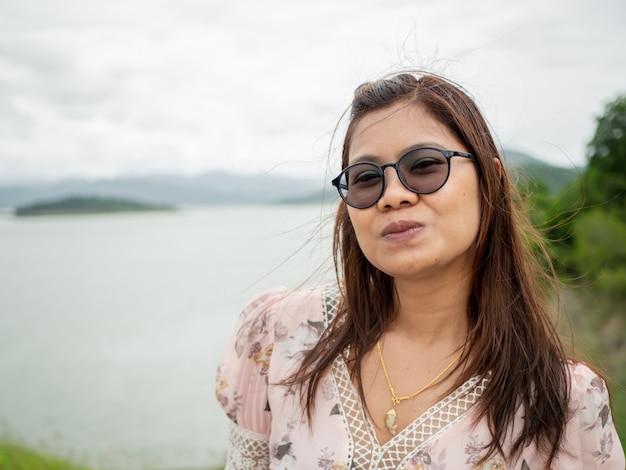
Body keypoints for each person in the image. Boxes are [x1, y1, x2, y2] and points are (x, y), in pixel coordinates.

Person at [215, 72, 625, 469]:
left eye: (425, 165)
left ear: (491, 182)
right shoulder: (281, 335)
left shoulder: (564, 404)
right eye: (366, 178)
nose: (393, 195)